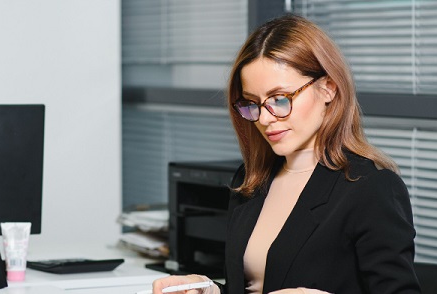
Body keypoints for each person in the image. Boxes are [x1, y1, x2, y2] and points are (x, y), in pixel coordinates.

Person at [151, 14, 421, 294]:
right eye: (252, 103)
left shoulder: (371, 187)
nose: (265, 119)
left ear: (328, 88)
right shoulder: (251, 180)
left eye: (280, 99)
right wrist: (210, 291)